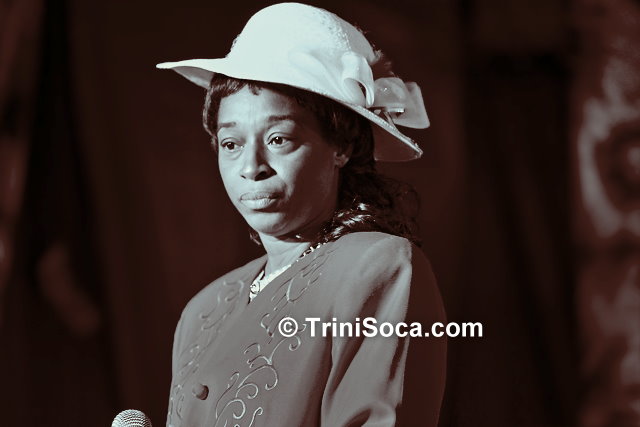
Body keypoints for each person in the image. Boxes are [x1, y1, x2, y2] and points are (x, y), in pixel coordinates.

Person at [157, 3, 446, 426]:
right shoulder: (203, 309)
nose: (251, 167)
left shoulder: (377, 267)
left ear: (342, 146)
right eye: (231, 144)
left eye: (279, 139)